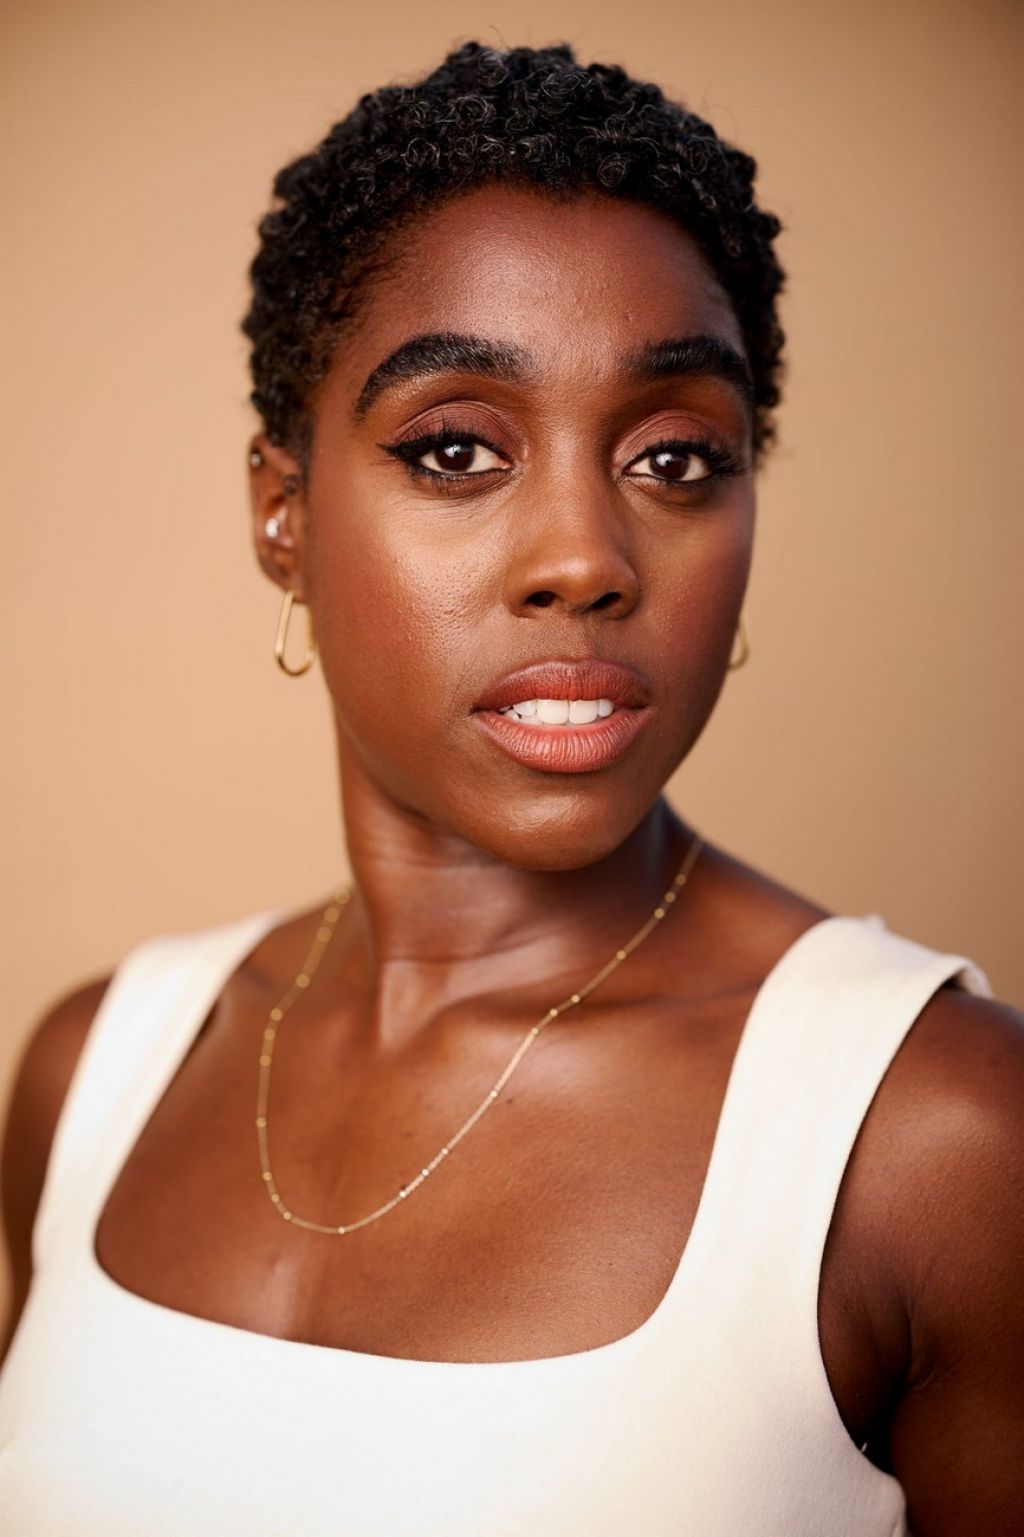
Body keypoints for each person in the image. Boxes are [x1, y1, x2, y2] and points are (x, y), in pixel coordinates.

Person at [0, 40, 1021, 1537]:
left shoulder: (934, 1140)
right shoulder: (96, 1074)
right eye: (460, 447)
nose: (587, 559)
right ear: (283, 512)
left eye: (678, 456)